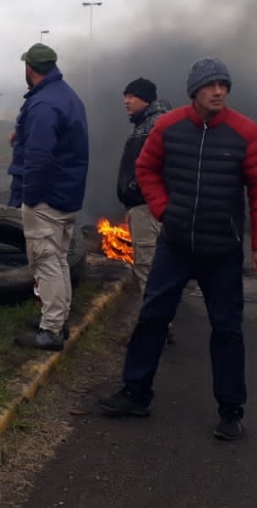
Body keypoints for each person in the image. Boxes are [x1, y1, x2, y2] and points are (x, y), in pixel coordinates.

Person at [98, 57, 257, 441]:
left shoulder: (245, 132)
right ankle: (135, 393)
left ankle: (231, 410)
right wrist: (164, 209)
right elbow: (145, 170)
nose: (218, 91)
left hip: (222, 250)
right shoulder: (169, 126)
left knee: (227, 330)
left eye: (224, 85)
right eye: (211, 85)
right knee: (151, 319)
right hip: (175, 245)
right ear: (194, 90)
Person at [9, 43, 89, 351]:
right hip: (67, 194)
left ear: (29, 68)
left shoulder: (44, 103)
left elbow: (40, 157)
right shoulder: (65, 96)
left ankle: (52, 330)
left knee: (45, 260)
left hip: (48, 198)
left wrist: (30, 197)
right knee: (57, 259)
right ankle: (59, 319)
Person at [116, 78, 173, 336]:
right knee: (154, 265)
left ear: (146, 99)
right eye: (125, 96)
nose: (126, 101)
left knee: (147, 265)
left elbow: (161, 169)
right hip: (148, 206)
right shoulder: (149, 123)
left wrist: (137, 190)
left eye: (131, 96)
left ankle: (155, 327)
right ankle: (159, 321)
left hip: (148, 208)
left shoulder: (154, 126)